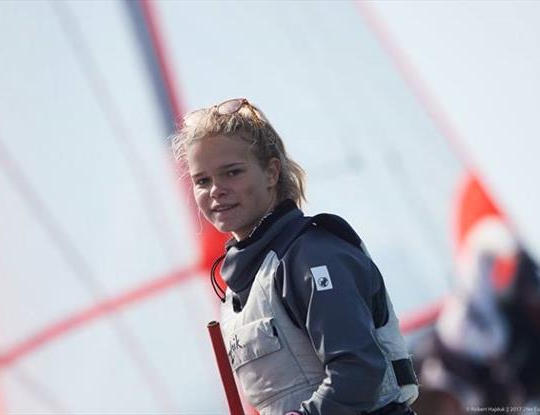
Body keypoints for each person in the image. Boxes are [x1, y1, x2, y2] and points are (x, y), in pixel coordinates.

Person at [171, 98, 419, 415]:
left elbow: (358, 371)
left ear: (272, 172)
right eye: (202, 181)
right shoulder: (236, 289)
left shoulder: (311, 255)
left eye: (232, 172)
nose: (216, 189)